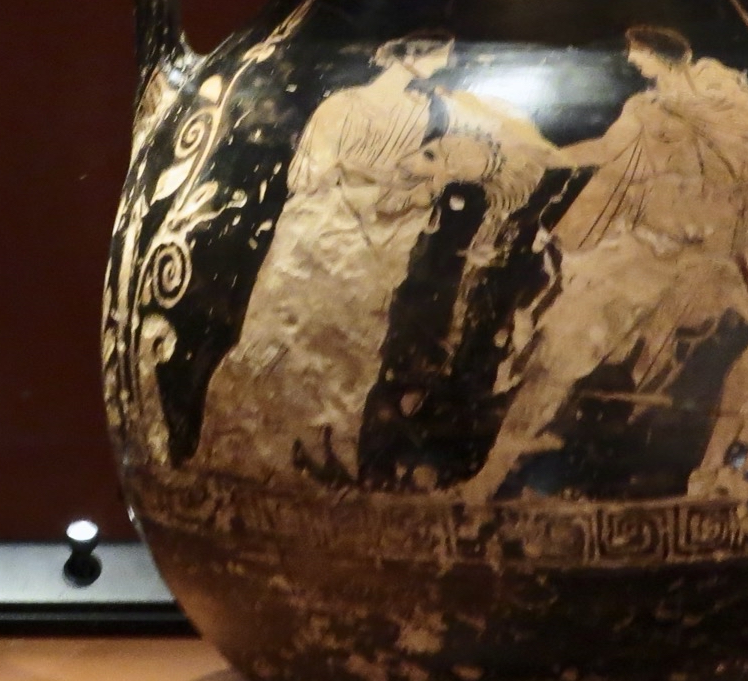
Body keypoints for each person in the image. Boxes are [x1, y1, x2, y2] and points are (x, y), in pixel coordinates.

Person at [460, 25, 748, 502]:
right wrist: (550, 156)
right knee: (562, 355)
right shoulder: (645, 112)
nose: (635, 65)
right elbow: (604, 152)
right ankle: (490, 477)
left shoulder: (728, 118)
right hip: (645, 254)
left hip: (713, 264)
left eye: (637, 57)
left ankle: (713, 468)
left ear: (654, 56)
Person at [199, 34, 529, 481]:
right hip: (316, 245)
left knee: (352, 355)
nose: (449, 57)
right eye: (439, 48)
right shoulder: (343, 106)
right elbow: (309, 176)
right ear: (407, 53)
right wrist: (394, 180)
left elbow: (496, 145)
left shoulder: (428, 113)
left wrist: (471, 171)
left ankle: (328, 457)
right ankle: (237, 453)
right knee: (277, 344)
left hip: (379, 253)